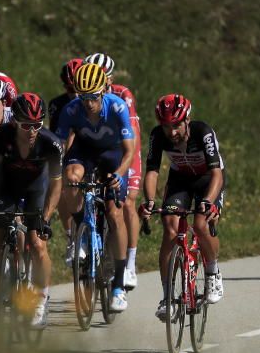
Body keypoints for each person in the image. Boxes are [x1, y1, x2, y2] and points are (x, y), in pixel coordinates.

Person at [56, 63, 135, 313]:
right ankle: (81, 229)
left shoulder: (117, 107)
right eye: (83, 97)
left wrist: (120, 175)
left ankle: (119, 286)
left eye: (92, 97)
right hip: (85, 151)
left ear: (102, 92)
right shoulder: (71, 109)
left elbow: (129, 150)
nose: (88, 103)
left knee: (114, 213)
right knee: (70, 177)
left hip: (112, 154)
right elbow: (59, 144)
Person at [0, 93, 63, 329]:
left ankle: (41, 298)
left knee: (37, 244)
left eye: (37, 125)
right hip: (7, 187)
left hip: (37, 189)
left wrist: (45, 218)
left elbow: (57, 185)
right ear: (15, 121)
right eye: (26, 125)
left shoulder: (51, 143)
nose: (32, 130)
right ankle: (2, 272)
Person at [139, 94, 225, 321]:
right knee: (169, 227)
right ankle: (167, 297)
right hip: (180, 180)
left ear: (187, 119)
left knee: (200, 223)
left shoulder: (202, 132)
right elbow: (153, 171)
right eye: (166, 126)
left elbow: (217, 173)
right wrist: (149, 201)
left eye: (176, 125)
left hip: (208, 179)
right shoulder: (158, 136)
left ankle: (213, 272)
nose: (172, 132)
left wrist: (208, 201)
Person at [85, 52, 143, 290]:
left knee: (127, 202)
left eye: (105, 77)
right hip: (99, 151)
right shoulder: (86, 96)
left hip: (125, 149)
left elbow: (132, 135)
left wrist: (124, 168)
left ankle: (130, 264)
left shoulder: (122, 95)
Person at [48, 59, 82, 142]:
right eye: (71, 89)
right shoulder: (56, 105)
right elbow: (55, 138)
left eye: (80, 88)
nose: (76, 95)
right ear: (65, 87)